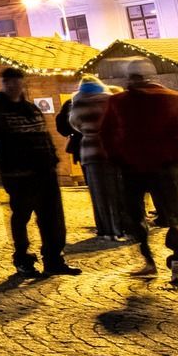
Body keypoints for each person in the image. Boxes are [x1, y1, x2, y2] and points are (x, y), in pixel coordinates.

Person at [102, 62, 178, 287]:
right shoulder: (174, 98)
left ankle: (148, 261)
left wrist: (117, 159)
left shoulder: (118, 101)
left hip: (131, 168)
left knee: (135, 216)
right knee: (173, 217)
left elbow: (107, 136)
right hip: (165, 167)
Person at [0, 68, 79, 278]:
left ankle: (54, 259)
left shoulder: (31, 109)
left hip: (45, 171)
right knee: (22, 216)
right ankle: (22, 258)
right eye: (8, 82)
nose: (13, 86)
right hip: (19, 174)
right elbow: (2, 142)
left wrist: (52, 159)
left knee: (51, 217)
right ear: (2, 84)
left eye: (16, 81)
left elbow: (44, 136)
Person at [65, 80, 125, 241]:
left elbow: (74, 124)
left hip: (90, 149)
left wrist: (88, 130)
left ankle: (105, 229)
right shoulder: (110, 100)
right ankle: (120, 227)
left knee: (98, 192)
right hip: (111, 147)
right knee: (117, 189)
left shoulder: (78, 102)